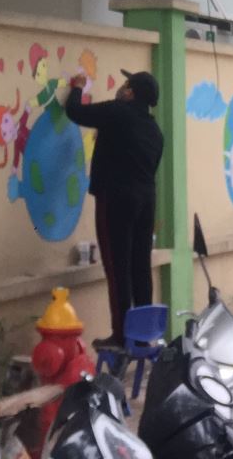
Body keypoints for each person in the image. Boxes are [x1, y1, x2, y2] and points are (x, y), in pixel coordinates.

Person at [66, 69, 164, 348]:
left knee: (117, 266)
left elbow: (75, 112)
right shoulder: (154, 131)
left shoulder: (118, 112)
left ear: (131, 92)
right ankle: (142, 335)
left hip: (117, 199)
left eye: (125, 85)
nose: (121, 88)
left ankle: (121, 335)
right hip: (146, 201)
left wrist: (77, 88)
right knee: (140, 266)